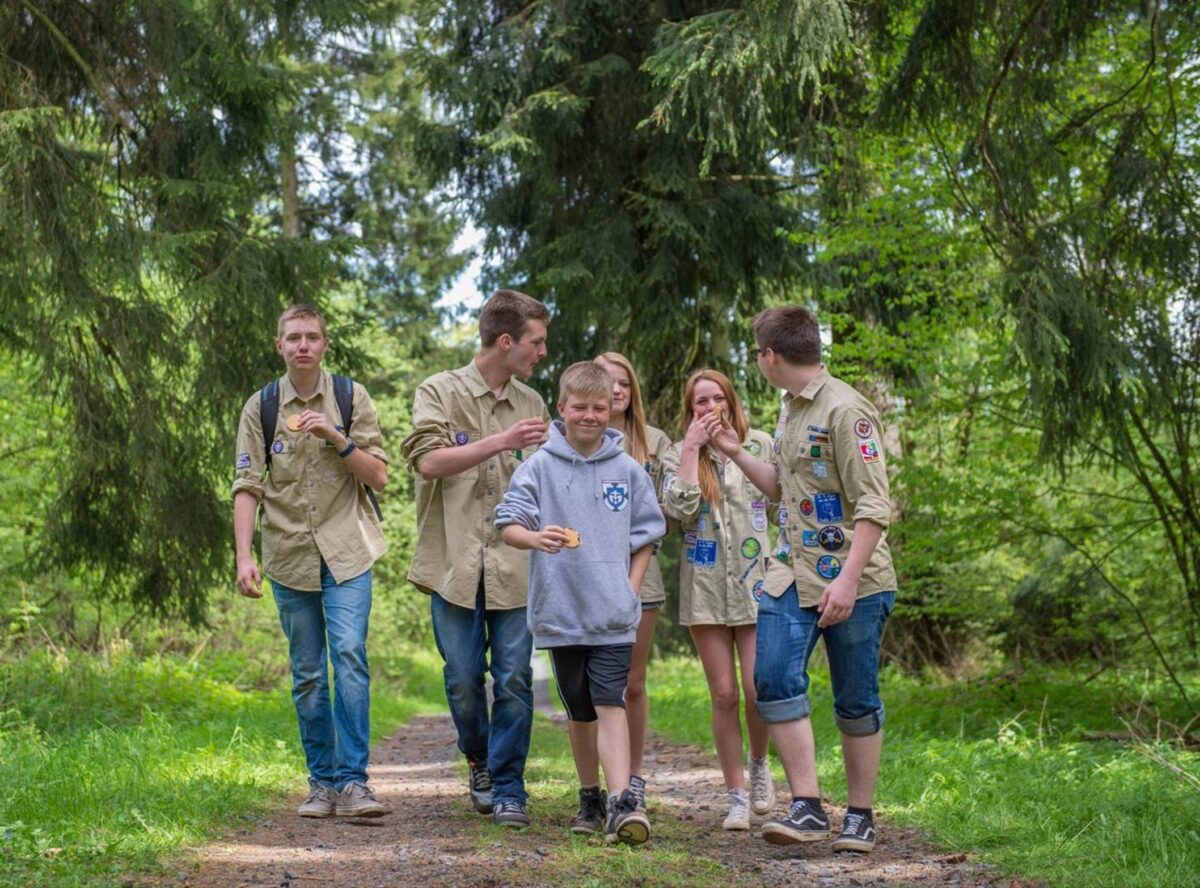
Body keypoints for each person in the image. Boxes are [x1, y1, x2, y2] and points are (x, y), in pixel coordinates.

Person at [705, 306, 897, 854]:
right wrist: (735, 451)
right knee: (771, 678)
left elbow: (874, 507)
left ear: (770, 356)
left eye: (756, 353)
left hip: (854, 578)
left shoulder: (846, 410)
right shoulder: (789, 409)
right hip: (791, 570)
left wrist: (848, 582)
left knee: (856, 698)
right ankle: (808, 807)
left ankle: (859, 816)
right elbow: (782, 489)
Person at [494, 362, 666, 845]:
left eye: (599, 407)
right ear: (562, 408)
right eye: (580, 407)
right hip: (561, 612)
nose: (590, 416)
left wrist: (630, 591)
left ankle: (621, 802)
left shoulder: (628, 470)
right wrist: (533, 537)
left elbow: (648, 535)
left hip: (613, 613)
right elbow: (506, 524)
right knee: (580, 709)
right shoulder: (538, 468)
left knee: (610, 699)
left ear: (612, 408)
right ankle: (589, 794)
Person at [401, 289, 551, 828]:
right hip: (452, 563)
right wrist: (500, 440)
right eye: (536, 342)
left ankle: (509, 786)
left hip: (515, 567)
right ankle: (478, 757)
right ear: (506, 341)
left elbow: (547, 483)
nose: (542, 352)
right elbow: (429, 463)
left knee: (513, 678)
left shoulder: (535, 403)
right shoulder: (438, 390)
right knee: (464, 679)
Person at [233, 304, 390, 819]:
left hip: (348, 551)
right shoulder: (261, 406)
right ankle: (320, 783)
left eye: (312, 337)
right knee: (307, 672)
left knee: (348, 656)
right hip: (288, 554)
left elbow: (379, 477)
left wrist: (336, 436)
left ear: (325, 344)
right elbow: (247, 485)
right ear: (278, 345)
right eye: (294, 337)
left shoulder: (350, 397)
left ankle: (354, 783)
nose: (303, 345)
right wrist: (244, 556)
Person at [661, 369, 777, 830]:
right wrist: (690, 448)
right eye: (698, 403)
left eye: (715, 399)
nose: (708, 409)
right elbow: (679, 511)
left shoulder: (762, 445)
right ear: (690, 410)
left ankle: (761, 765)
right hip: (706, 587)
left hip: (757, 584)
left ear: (730, 400)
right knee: (724, 695)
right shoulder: (678, 453)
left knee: (756, 690)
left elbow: (781, 500)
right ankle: (735, 795)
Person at [592, 352, 671, 812]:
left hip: (643, 574)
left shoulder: (654, 442)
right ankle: (601, 783)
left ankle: (634, 778)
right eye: (607, 382)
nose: (617, 390)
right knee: (594, 685)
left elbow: (661, 517)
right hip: (586, 576)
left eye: (624, 383)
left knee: (631, 681)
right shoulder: (573, 437)